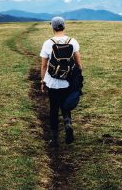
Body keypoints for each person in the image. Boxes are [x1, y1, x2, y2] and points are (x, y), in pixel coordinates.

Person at [40, 16, 83, 147]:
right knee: (66, 106)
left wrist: (43, 81)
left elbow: (44, 65)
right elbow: (78, 63)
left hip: (53, 82)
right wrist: (78, 78)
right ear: (64, 26)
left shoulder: (48, 43)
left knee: (53, 109)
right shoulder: (72, 41)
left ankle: (54, 138)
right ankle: (68, 123)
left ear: (52, 27)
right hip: (68, 82)